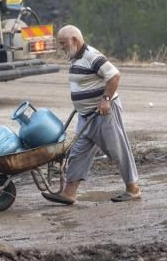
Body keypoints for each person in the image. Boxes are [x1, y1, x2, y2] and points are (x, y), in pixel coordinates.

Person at [41, 25, 141, 204]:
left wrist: (106, 99)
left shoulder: (91, 56)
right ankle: (68, 193)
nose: (61, 47)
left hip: (104, 113)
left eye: (63, 43)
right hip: (86, 115)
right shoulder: (74, 57)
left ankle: (133, 189)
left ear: (75, 40)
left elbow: (114, 75)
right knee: (78, 153)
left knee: (118, 151)